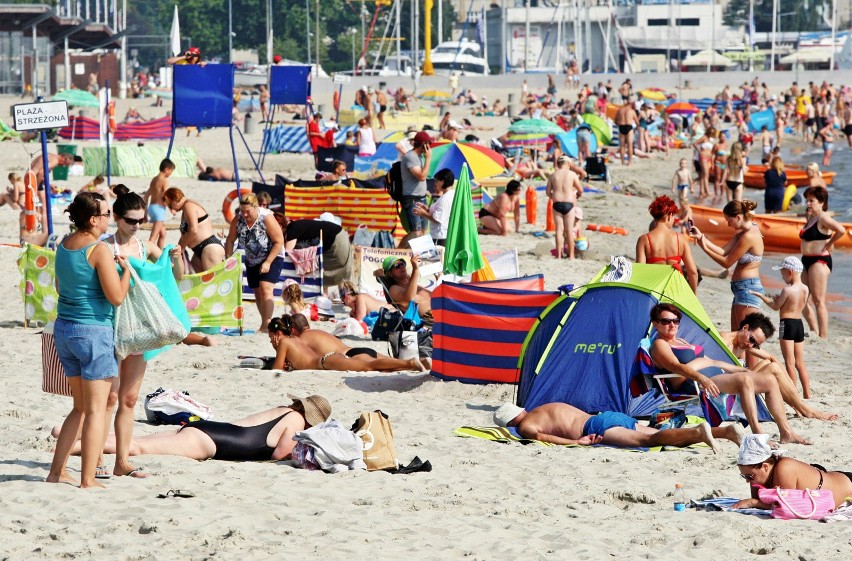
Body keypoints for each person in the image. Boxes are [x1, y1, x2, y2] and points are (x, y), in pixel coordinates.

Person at [47, 193, 131, 488]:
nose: (110, 219)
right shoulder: (99, 250)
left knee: (79, 407)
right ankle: (87, 479)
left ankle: (56, 472)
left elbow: (60, 287)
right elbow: (117, 298)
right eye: (107, 214)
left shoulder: (64, 246)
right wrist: (128, 273)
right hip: (93, 331)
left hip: (65, 329)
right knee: (95, 410)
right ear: (93, 219)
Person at [648, 303, 809, 445]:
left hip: (712, 377)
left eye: (675, 320)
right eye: (666, 321)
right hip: (694, 383)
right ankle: (758, 434)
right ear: (656, 324)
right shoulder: (660, 344)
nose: (672, 324)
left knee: (769, 380)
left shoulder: (682, 342)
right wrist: (701, 377)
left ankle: (786, 432)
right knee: (744, 380)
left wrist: (742, 369)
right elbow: (676, 367)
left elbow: (714, 362)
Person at [66, 396, 332, 462]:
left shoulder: (284, 410)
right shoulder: (297, 422)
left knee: (137, 439)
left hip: (213, 429)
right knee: (137, 447)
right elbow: (279, 455)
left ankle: (71, 433)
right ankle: (75, 446)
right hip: (213, 442)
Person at [718, 312, 836, 421]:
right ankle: (805, 409)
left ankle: (798, 405)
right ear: (745, 328)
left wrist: (790, 386)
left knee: (770, 365)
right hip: (724, 388)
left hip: (736, 381)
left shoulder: (744, 343)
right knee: (772, 368)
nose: (750, 345)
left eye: (755, 344)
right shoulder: (723, 340)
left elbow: (772, 357)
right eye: (752, 339)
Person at [493, 402, 743, 451]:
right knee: (664, 435)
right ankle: (724, 432)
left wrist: (576, 442)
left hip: (598, 426)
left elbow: (545, 438)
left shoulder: (526, 426)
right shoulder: (541, 407)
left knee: (649, 441)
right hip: (610, 415)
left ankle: (700, 431)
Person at [689, 199, 765, 330]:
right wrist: (701, 237)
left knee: (744, 339)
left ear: (738, 217)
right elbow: (723, 251)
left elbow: (726, 263)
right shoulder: (742, 233)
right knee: (736, 335)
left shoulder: (749, 236)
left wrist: (705, 248)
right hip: (741, 288)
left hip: (748, 289)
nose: (729, 225)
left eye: (729, 221)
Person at [733, 434, 852, 510]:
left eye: (749, 476)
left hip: (847, 484)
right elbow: (761, 500)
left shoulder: (784, 468)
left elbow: (782, 505)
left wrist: (752, 503)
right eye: (744, 476)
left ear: (765, 467)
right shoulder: (759, 475)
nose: (747, 481)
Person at [267, 315, 424, 371]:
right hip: (351, 350)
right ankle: (420, 362)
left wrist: (276, 347)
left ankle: (410, 364)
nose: (271, 340)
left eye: (271, 337)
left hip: (337, 358)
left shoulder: (292, 341)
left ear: (279, 333)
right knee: (385, 366)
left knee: (370, 366)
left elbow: (277, 370)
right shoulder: (301, 338)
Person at [750, 257, 812, 398]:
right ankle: (807, 394)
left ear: (790, 272)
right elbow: (794, 304)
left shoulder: (787, 290)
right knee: (800, 362)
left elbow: (775, 306)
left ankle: (793, 393)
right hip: (799, 325)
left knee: (789, 362)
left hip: (787, 324)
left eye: (783, 273)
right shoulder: (805, 289)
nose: (782, 276)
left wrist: (761, 296)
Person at [225, 193, 285, 332]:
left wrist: (268, 262)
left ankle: (266, 324)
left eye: (248, 211)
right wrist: (229, 258)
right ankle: (264, 321)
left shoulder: (266, 218)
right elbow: (230, 240)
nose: (244, 214)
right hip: (252, 259)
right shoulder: (238, 219)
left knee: (265, 288)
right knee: (257, 292)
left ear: (256, 207)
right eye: (242, 211)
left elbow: (279, 241)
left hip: (272, 255)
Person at [799, 186, 846, 339]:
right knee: (802, 299)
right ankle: (814, 331)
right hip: (806, 260)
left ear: (821, 202)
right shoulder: (810, 217)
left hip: (819, 261)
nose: (808, 203)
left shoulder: (823, 217)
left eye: (811, 201)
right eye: (807, 200)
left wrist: (830, 242)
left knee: (819, 301)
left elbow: (841, 230)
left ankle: (823, 336)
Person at [636, 196, 699, 292]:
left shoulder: (644, 240)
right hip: (674, 290)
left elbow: (640, 271)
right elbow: (693, 272)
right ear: (669, 216)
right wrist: (693, 295)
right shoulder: (680, 239)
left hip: (653, 289)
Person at [163, 187, 225, 273]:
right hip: (199, 250)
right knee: (196, 281)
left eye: (170, 205)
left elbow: (193, 230)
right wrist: (178, 248)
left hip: (209, 248)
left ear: (174, 199)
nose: (171, 209)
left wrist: (182, 247)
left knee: (212, 282)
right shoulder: (185, 209)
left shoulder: (189, 206)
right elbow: (185, 235)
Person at [281, 217, 353, 286]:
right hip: (339, 237)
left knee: (320, 271)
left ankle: (340, 293)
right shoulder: (294, 225)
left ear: (280, 226)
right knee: (320, 271)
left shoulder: (292, 230)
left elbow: (286, 253)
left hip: (336, 242)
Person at [399, 131, 433, 247]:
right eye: (428, 144)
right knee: (415, 232)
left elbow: (419, 179)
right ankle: (397, 251)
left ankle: (416, 256)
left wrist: (424, 190)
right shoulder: (410, 157)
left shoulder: (419, 157)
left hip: (421, 197)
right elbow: (422, 176)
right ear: (423, 144)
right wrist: (428, 159)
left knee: (423, 232)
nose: (430, 147)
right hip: (411, 199)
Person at [546, 155, 583, 259]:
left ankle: (558, 255)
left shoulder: (553, 175)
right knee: (569, 230)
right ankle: (571, 255)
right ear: (569, 164)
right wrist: (577, 195)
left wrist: (554, 197)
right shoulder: (572, 174)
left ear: (558, 164)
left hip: (557, 203)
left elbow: (548, 192)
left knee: (558, 230)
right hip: (569, 204)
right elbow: (580, 190)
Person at [381, 255, 432, 325]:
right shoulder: (394, 289)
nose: (401, 267)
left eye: (402, 264)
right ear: (390, 273)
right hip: (429, 316)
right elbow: (409, 299)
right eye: (397, 266)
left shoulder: (412, 285)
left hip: (442, 309)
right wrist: (415, 270)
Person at [413, 167, 455, 246]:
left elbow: (437, 219)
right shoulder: (451, 195)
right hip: (443, 235)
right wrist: (427, 209)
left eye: (437, 180)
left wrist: (423, 213)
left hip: (440, 237)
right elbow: (442, 213)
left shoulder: (445, 199)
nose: (435, 183)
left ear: (443, 181)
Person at [143, 158, 174, 249]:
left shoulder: (154, 179)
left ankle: (159, 254)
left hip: (151, 208)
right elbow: (167, 196)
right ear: (166, 169)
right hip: (159, 209)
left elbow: (145, 197)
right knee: (153, 236)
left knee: (163, 234)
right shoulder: (164, 180)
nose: (171, 174)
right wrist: (172, 209)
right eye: (171, 171)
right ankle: (145, 256)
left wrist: (145, 213)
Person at [615, 97, 639, 166]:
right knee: (630, 145)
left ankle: (622, 161)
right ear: (631, 104)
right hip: (629, 127)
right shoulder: (632, 111)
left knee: (622, 146)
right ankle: (629, 162)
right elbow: (637, 122)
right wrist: (636, 128)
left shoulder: (620, 110)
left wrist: (619, 124)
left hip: (621, 127)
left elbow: (615, 121)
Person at [692, 127, 715, 199]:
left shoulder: (710, 139)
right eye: (710, 133)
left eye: (712, 133)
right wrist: (699, 151)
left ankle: (701, 191)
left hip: (708, 158)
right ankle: (707, 191)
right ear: (708, 132)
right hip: (703, 157)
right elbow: (695, 143)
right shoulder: (704, 137)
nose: (711, 134)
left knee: (702, 175)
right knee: (706, 174)